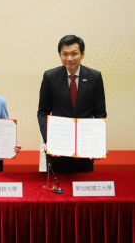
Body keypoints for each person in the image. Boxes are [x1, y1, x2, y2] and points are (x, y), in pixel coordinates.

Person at [37, 35, 107, 172]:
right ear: (60, 55)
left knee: (83, 187)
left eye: (74, 54)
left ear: (82, 54)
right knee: (56, 189)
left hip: (85, 147)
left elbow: (100, 113)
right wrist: (49, 140)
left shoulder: (94, 77)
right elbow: (43, 112)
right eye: (65, 54)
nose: (69, 58)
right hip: (58, 146)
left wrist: (96, 143)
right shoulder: (50, 77)